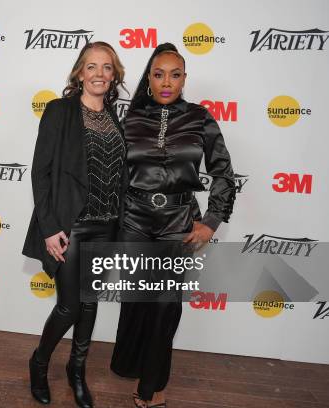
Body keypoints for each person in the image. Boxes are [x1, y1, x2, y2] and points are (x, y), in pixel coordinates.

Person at [110, 43, 236, 408]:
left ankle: (152, 386)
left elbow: (223, 172)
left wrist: (212, 221)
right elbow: (110, 174)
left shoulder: (200, 117)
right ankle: (130, 363)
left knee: (165, 305)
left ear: (184, 78)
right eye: (159, 73)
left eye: (175, 74)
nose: (167, 82)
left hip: (178, 222)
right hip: (133, 221)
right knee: (136, 300)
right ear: (149, 78)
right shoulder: (128, 118)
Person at [22, 41, 126, 408]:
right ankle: (39, 363)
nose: (100, 74)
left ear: (115, 76)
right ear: (80, 72)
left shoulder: (115, 116)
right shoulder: (60, 111)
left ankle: (76, 371)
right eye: (92, 67)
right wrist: (50, 228)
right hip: (73, 225)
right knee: (69, 305)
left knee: (91, 302)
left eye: (107, 68)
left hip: (107, 225)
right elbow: (41, 172)